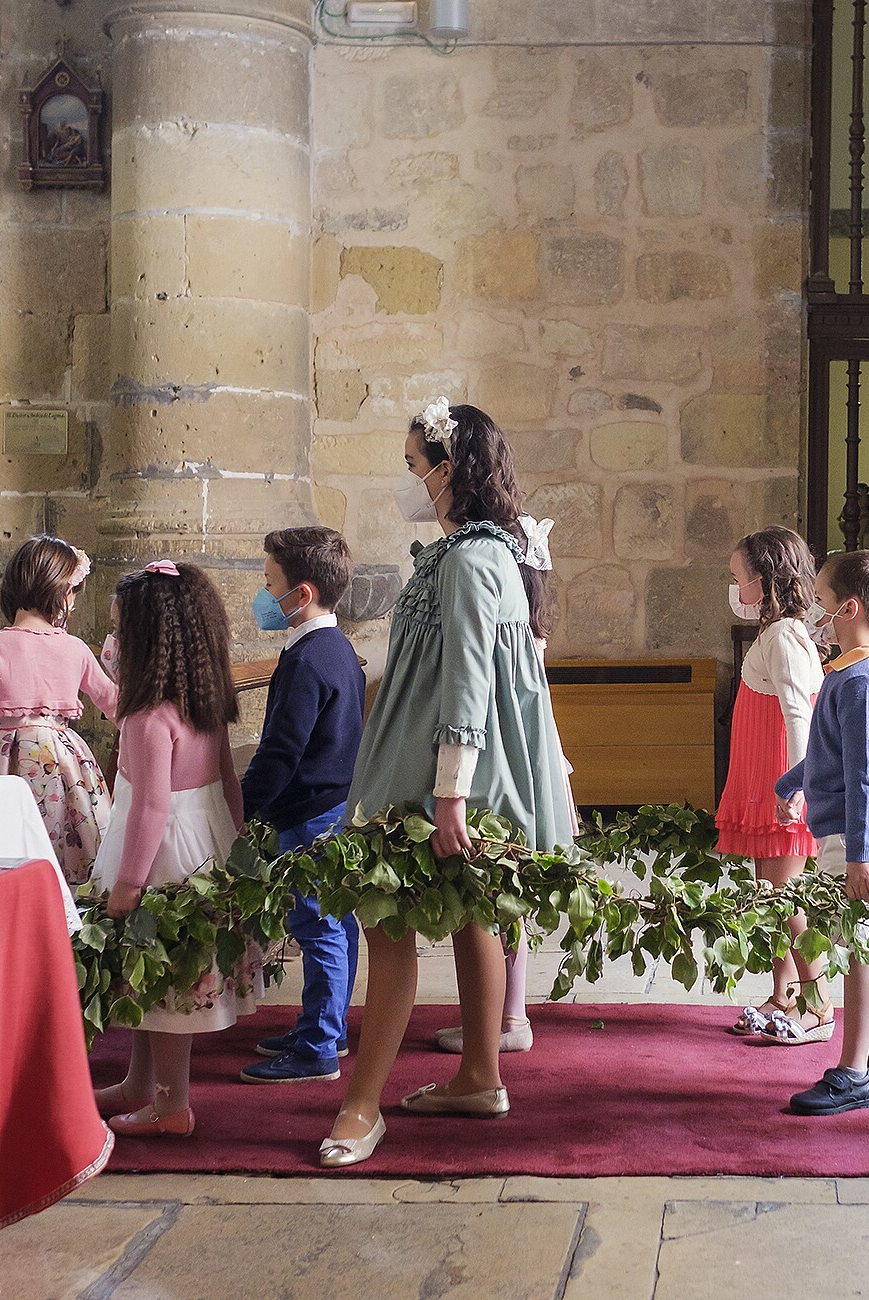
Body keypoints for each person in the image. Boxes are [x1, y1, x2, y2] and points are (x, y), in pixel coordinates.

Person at [319, 399, 573, 1168]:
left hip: (437, 773)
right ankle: (479, 1077)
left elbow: (468, 678)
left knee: (387, 923)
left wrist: (451, 791)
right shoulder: (485, 551)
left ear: (449, 470)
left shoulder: (469, 558)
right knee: (472, 916)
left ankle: (361, 1106)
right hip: (440, 762)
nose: (409, 483)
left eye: (412, 468)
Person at [91, 561, 258, 1138]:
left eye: (118, 632)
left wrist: (129, 882)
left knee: (162, 983)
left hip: (160, 860)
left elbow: (150, 808)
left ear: (146, 642)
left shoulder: (146, 716)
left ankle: (170, 1105)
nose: (110, 645)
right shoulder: (202, 702)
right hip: (204, 848)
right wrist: (235, 852)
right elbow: (229, 783)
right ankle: (140, 1084)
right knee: (153, 981)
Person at [430, 511, 569, 1059]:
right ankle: (501, 1015)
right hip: (531, 758)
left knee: (498, 899)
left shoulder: (517, 630)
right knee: (500, 899)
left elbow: (526, 708)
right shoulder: (520, 616)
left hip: (512, 761)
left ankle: (509, 1017)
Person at [775, 550, 869, 1116]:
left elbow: (863, 777)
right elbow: (834, 756)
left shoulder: (858, 684)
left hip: (858, 836)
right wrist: (791, 782)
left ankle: (853, 1073)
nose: (815, 613)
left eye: (822, 603)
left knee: (856, 949)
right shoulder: (855, 672)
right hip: (865, 831)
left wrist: (857, 859)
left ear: (848, 609)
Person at [237, 527, 368, 1086]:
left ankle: (318, 1047)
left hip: (308, 815)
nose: (264, 596)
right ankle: (327, 1027)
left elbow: (281, 751)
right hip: (333, 806)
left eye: (271, 585)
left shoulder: (310, 661)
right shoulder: (338, 651)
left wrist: (241, 807)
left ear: (303, 594)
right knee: (336, 923)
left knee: (316, 927)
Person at [0, 536, 116, 883]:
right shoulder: (75, 648)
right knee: (66, 848)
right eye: (72, 594)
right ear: (59, 592)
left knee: (7, 852)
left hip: (3, 764)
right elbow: (116, 704)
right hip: (63, 764)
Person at [718, 526, 830, 1044]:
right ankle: (782, 993)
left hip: (783, 786)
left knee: (787, 901)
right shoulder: (776, 631)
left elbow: (796, 714)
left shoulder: (785, 635)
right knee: (773, 899)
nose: (734, 589)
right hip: (768, 784)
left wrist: (797, 787)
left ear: (763, 581)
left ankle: (819, 1002)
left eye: (739, 579)